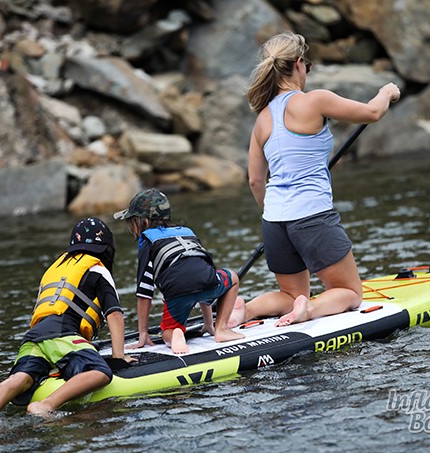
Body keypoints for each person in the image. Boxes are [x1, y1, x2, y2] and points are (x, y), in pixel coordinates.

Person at [228, 32, 401, 328]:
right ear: (298, 64)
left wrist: (276, 219)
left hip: (275, 221)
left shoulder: (263, 119)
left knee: (290, 293)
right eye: (307, 65)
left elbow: (256, 181)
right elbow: (372, 113)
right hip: (312, 215)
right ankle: (308, 310)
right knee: (349, 292)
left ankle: (245, 310)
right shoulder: (315, 100)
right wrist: (387, 91)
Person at [0, 217, 133, 424]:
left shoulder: (55, 269)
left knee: (21, 378)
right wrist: (119, 357)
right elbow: (114, 314)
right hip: (62, 333)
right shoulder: (98, 269)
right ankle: (46, 405)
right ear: (106, 249)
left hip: (34, 336)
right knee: (100, 372)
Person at [114, 188, 245, 354]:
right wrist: (207, 323)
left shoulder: (147, 239)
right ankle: (221, 328)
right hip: (208, 284)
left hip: (177, 294)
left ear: (145, 222)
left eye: (132, 221)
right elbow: (204, 271)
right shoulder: (187, 232)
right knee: (232, 277)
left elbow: (145, 290)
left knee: (168, 330)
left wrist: (143, 333)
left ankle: (175, 333)